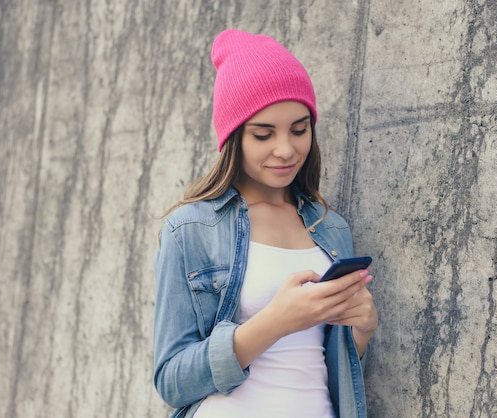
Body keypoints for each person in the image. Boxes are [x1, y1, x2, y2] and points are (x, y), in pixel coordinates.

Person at [153, 29, 378, 418]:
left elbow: (317, 368)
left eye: (299, 128)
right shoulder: (190, 229)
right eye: (263, 134)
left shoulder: (332, 228)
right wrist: (274, 322)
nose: (287, 150)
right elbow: (172, 381)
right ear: (233, 138)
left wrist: (360, 331)